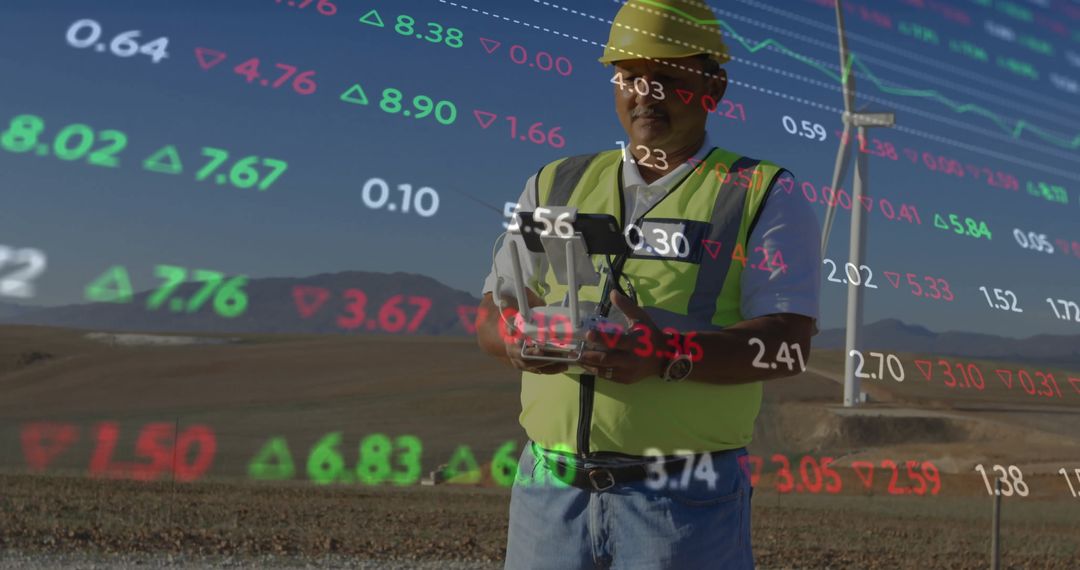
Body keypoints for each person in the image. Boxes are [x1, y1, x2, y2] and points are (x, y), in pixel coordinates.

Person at [475, 1, 821, 567]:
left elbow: (789, 346)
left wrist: (668, 355)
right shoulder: (554, 181)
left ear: (714, 87)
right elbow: (495, 308)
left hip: (682, 504)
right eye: (629, 76)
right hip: (548, 494)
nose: (645, 93)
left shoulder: (760, 192)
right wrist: (514, 339)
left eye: (666, 77)